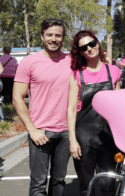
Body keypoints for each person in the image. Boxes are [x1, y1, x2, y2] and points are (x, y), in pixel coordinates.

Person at [12, 18, 72, 196]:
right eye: (50, 35)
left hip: (66, 132)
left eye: (58, 35)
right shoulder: (29, 62)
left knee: (59, 181)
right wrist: (32, 130)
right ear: (42, 36)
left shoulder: (72, 61)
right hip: (41, 131)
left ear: (63, 38)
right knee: (38, 183)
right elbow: (17, 98)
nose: (54, 39)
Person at [67, 30, 121, 196]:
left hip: (108, 136)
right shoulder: (77, 74)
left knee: (108, 184)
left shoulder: (114, 71)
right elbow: (70, 109)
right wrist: (72, 141)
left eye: (91, 44)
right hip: (84, 136)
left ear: (98, 43)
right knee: (86, 185)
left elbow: (119, 107)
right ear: (81, 53)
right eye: (84, 47)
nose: (89, 49)